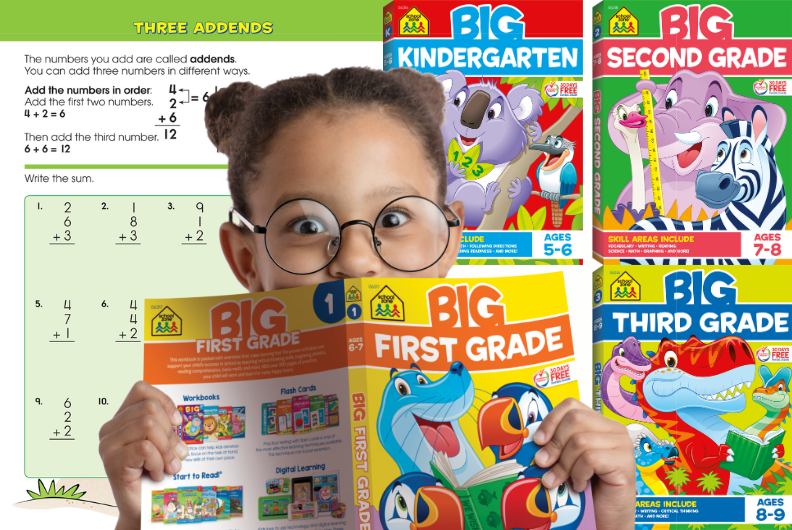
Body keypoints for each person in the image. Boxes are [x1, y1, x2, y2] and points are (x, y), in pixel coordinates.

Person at [98, 67, 635, 530]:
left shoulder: (535, 433)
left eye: (395, 219)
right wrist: (133, 515)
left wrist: (609, 520)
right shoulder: (184, 441)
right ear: (246, 260)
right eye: (307, 224)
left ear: (447, 239)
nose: (355, 260)